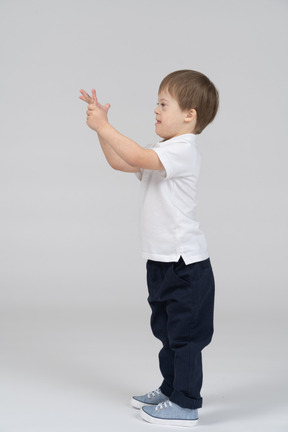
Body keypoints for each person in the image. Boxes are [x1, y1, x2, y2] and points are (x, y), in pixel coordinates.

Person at [79, 69, 219, 427]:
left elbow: (138, 157)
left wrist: (104, 127)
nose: (155, 110)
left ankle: (186, 404)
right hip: (160, 262)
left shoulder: (184, 151)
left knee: (185, 337)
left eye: (163, 104)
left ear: (190, 115)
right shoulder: (163, 150)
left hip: (186, 265)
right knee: (167, 332)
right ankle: (171, 388)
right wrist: (101, 132)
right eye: (156, 103)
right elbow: (120, 161)